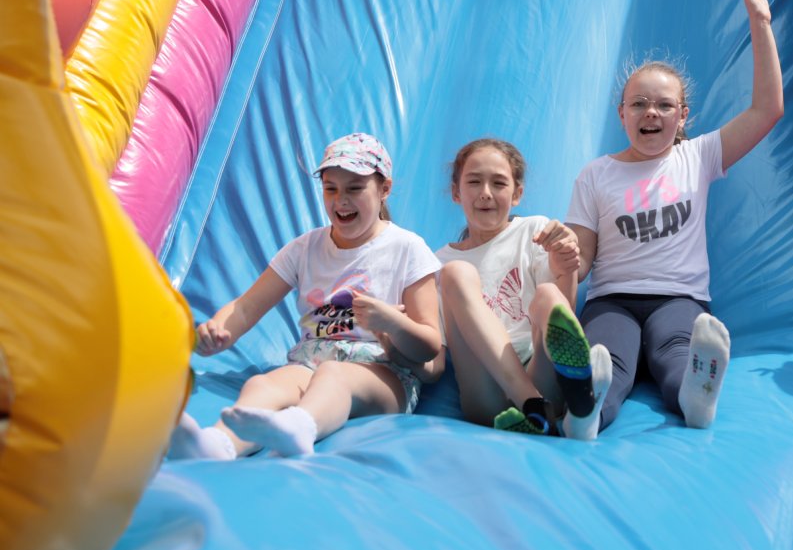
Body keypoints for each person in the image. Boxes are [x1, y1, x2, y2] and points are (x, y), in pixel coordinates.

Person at [566, 0, 784, 431]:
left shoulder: (698, 157)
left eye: (664, 105)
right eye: (639, 104)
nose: (652, 112)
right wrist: (564, 257)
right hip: (612, 299)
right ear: (621, 114)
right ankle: (589, 411)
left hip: (679, 298)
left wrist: (760, 23)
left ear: (682, 116)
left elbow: (767, 109)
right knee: (609, 358)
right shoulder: (596, 175)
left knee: (676, 351)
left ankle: (694, 395)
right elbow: (581, 260)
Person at [168, 133, 443, 459]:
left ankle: (300, 426)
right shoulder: (305, 248)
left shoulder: (407, 248)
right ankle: (218, 444)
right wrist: (219, 330)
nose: (341, 200)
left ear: (384, 189)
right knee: (263, 385)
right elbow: (246, 307)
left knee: (334, 376)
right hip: (312, 360)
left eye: (355, 188)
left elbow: (430, 345)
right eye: (331, 188)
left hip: (384, 373)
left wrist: (393, 323)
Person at [434, 138, 611, 439]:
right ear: (456, 192)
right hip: (486, 394)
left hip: (540, 377)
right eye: (474, 182)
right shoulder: (438, 262)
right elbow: (435, 353)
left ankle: (559, 396)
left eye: (499, 183)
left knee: (549, 295)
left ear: (517, 194)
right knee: (456, 273)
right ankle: (533, 404)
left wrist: (565, 267)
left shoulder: (533, 232)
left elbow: (561, 314)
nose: (486, 193)